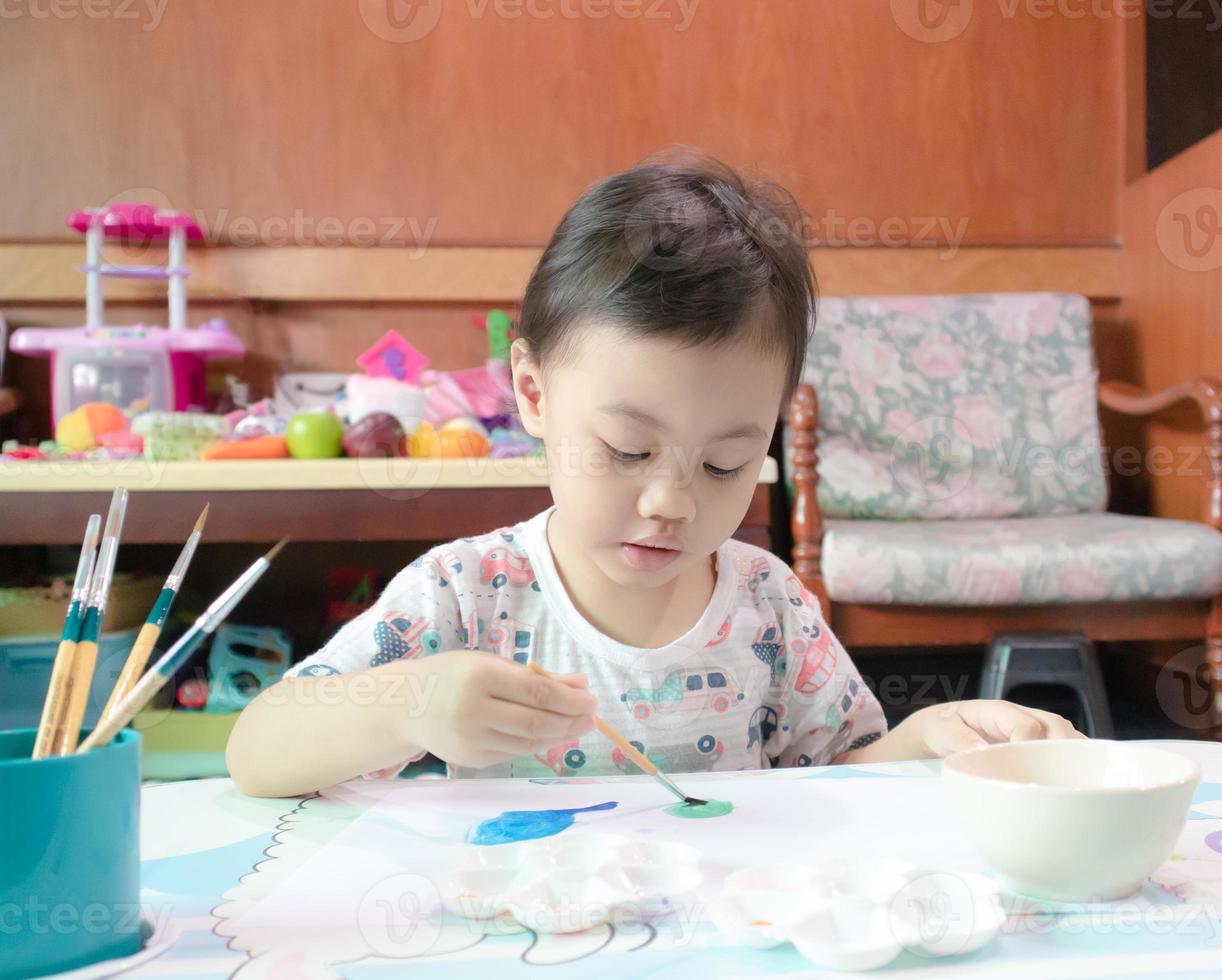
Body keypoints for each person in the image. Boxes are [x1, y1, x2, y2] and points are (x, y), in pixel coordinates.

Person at [227, 151, 1082, 797]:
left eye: (725, 462)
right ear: (532, 392)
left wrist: (935, 735)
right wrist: (407, 703)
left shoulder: (768, 608)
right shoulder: (467, 594)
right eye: (627, 451)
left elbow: (844, 780)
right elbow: (255, 751)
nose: (673, 501)